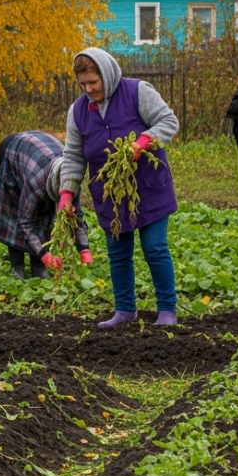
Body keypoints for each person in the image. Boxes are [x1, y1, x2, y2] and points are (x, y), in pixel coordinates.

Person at [60, 48, 180, 328]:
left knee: (155, 247)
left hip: (149, 188)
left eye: (94, 82)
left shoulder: (137, 92)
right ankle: (125, 310)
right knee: (118, 252)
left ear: (106, 74)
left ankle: (167, 310)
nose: (89, 89)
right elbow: (74, 155)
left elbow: (169, 122)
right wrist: (66, 193)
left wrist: (142, 142)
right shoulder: (78, 111)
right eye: (83, 84)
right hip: (110, 194)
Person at [0, 131, 92, 279]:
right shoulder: (36, 183)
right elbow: (26, 222)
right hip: (14, 150)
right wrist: (44, 254)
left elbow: (76, 217)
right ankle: (17, 267)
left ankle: (37, 267)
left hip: (39, 152)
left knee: (45, 213)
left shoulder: (72, 182)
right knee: (16, 210)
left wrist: (84, 249)